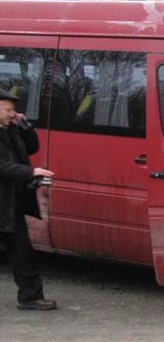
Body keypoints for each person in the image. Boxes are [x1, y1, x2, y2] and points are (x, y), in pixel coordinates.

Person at [0, 88, 57, 310]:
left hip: (10, 204)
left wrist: (25, 127)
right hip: (3, 202)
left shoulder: (9, 130)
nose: (12, 113)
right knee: (19, 249)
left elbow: (31, 147)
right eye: (8, 109)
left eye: (13, 110)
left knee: (22, 252)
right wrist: (32, 173)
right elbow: (2, 166)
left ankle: (31, 296)